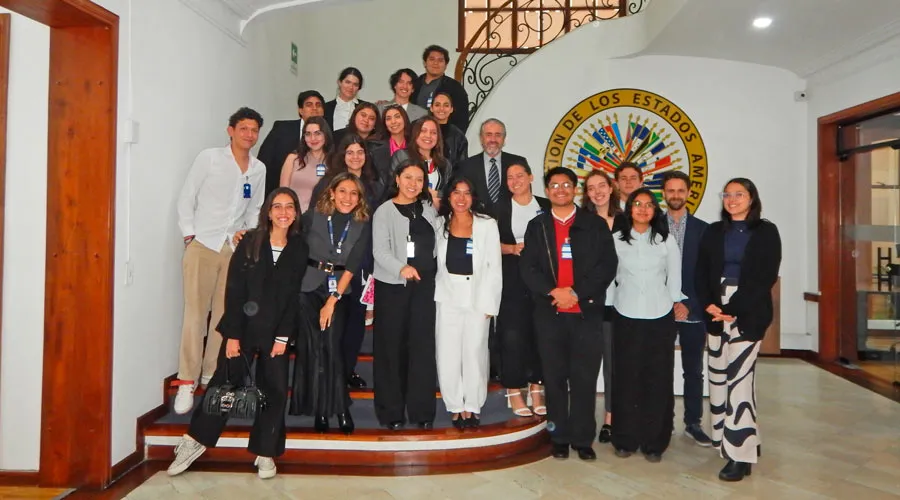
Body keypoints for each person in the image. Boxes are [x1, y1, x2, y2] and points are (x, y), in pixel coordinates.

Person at [167, 187, 309, 479]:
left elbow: (293, 295)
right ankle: (194, 442)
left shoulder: (299, 247)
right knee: (223, 386)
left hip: (276, 333)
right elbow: (234, 290)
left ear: (296, 212)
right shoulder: (250, 242)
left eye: (290, 207)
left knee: (275, 391)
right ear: (268, 212)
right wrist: (232, 336)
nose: (284, 212)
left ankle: (265, 451)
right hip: (243, 329)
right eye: (277, 206)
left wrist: (284, 337)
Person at [173, 107, 267, 415]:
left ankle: (211, 374)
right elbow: (188, 196)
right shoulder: (209, 158)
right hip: (202, 244)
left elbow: (255, 208)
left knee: (224, 315)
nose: (249, 135)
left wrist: (248, 233)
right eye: (244, 129)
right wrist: (189, 236)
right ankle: (186, 380)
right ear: (231, 130)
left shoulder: (258, 168)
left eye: (254, 130)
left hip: (232, 249)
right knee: (195, 314)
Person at [520, 167, 617, 461]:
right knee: (554, 377)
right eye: (554, 185)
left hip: (586, 314)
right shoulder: (537, 227)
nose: (560, 190)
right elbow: (528, 268)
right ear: (547, 191)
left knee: (585, 378)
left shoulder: (594, 225)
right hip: (550, 314)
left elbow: (606, 266)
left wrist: (575, 292)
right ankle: (558, 436)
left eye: (566, 185)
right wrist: (554, 292)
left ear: (575, 189)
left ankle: (582, 438)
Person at [695, 178, 781, 482]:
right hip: (715, 309)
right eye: (727, 194)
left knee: (740, 382)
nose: (732, 199)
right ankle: (723, 439)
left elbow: (763, 277)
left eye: (739, 194)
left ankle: (740, 454)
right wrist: (709, 304)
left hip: (748, 312)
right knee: (717, 377)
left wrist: (732, 310)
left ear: (752, 198)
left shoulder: (766, 232)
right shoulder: (714, 231)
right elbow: (701, 270)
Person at [290, 173, 371, 435]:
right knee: (313, 349)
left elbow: (352, 265)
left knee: (332, 349)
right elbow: (294, 248)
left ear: (359, 199)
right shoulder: (313, 216)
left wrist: (333, 300)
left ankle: (341, 409)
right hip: (308, 287)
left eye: (354, 193)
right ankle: (322, 410)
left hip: (338, 290)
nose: (348, 198)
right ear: (332, 192)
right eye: (343, 191)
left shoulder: (362, 224)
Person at [610, 187, 683, 463]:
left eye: (648, 205)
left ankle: (655, 442)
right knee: (626, 379)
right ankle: (624, 439)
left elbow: (674, 279)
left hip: (659, 316)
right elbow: (611, 276)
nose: (642, 209)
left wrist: (677, 302)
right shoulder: (617, 239)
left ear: (655, 210)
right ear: (629, 210)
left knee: (658, 379)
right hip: (625, 314)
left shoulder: (666, 241)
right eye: (637, 204)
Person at [372, 160, 439, 430]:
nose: (414, 184)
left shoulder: (428, 209)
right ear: (397, 179)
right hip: (393, 287)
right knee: (391, 350)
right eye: (408, 177)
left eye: (419, 179)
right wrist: (403, 268)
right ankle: (392, 414)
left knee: (422, 349)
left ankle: (422, 412)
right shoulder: (384, 211)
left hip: (425, 288)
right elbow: (380, 251)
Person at [435, 177, 502, 429]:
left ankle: (472, 406)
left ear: (473, 197)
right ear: (448, 197)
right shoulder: (439, 224)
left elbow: (495, 267)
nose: (461, 198)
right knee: (448, 353)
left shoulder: (487, 225)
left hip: (477, 294)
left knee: (474, 353)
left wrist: (490, 305)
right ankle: (454, 405)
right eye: (456, 193)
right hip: (447, 295)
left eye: (466, 193)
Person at [661, 170, 713, 447]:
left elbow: (707, 274)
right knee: (661, 368)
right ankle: (663, 421)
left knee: (693, 371)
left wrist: (687, 304)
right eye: (671, 191)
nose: (676, 195)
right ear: (664, 194)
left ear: (689, 193)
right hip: (659, 310)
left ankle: (693, 423)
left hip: (693, 311)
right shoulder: (652, 225)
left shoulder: (704, 230)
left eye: (681, 190)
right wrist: (670, 303)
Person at [493, 163, 549, 418]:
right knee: (512, 335)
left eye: (520, 176)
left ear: (531, 177)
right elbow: (488, 244)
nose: (515, 181)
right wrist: (512, 248)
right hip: (511, 278)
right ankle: (514, 390)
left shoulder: (546, 206)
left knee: (541, 333)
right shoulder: (499, 209)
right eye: (510, 177)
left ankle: (537, 388)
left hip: (543, 280)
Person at [580, 170, 622, 443]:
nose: (597, 192)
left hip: (620, 302)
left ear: (611, 188)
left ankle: (611, 418)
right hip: (589, 302)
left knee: (614, 365)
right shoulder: (581, 222)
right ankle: (583, 420)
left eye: (602, 186)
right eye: (591, 188)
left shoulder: (627, 221)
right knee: (586, 364)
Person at [258, 90, 325, 196]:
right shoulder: (282, 129)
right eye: (309, 105)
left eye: (318, 105)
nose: (314, 109)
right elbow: (263, 162)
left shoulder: (328, 136)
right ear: (300, 110)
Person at [457, 118, 529, 215]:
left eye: (498, 135)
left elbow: (526, 198)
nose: (493, 140)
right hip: (478, 225)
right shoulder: (466, 166)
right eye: (488, 135)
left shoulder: (518, 163)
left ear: (504, 138)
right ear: (481, 138)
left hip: (513, 226)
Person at [390, 116, 449, 209]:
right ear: (415, 134)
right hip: (405, 209)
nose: (428, 136)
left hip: (434, 214)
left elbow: (448, 192)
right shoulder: (402, 156)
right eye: (423, 131)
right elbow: (393, 185)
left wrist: (437, 194)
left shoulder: (444, 163)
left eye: (433, 132)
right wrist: (429, 194)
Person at [279, 116, 334, 213]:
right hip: (293, 217)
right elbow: (283, 193)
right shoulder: (293, 159)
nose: (313, 138)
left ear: (326, 135)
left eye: (318, 133)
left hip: (321, 219)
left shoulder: (334, 162)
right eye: (308, 134)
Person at [411, 44, 469, 132]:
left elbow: (462, 120)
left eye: (440, 60)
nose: (435, 63)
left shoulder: (455, 88)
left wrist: (452, 140)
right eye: (432, 59)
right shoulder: (414, 84)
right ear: (424, 63)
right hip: (415, 136)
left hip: (443, 138)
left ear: (446, 65)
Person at [430, 92, 469, 168]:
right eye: (437, 105)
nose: (441, 109)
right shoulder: (421, 130)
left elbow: (463, 165)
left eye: (446, 105)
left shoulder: (458, 136)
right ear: (431, 108)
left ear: (451, 109)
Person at [324, 67, 365, 131]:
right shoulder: (325, 108)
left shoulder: (365, 107)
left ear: (359, 88)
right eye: (348, 82)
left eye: (355, 84)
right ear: (339, 82)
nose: (351, 87)